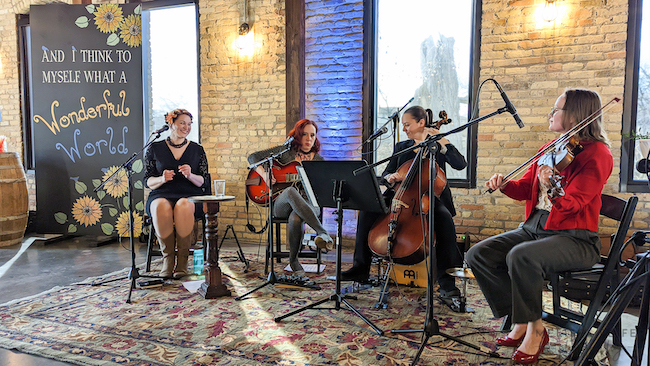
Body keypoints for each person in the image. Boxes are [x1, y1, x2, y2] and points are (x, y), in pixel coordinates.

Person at [466, 89, 613, 364]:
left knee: (521, 255)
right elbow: (525, 189)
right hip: (535, 227)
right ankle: (520, 318)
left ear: (575, 115)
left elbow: (573, 205)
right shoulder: (550, 148)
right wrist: (505, 185)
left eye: (556, 109)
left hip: (576, 238)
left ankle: (535, 329)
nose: (551, 114)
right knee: (478, 254)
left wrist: (552, 187)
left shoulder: (597, 155)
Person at [341, 106, 467, 300]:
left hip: (428, 196)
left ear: (421, 123)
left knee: (444, 219)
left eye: (407, 124)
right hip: (400, 194)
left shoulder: (437, 146)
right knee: (367, 210)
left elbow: (460, 163)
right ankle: (360, 269)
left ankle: (447, 284)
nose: (405, 129)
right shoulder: (402, 147)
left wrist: (444, 142)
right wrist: (390, 177)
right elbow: (386, 173)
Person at [247, 119, 333, 277]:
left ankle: (293, 261)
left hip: (308, 203)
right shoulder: (286, 152)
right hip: (282, 203)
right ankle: (322, 232)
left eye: (312, 135)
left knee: (296, 217)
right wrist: (265, 175)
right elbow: (252, 158)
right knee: (290, 192)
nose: (309, 139)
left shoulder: (319, 161)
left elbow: (322, 189)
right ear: (297, 136)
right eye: (305, 134)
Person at [144, 109, 209, 279]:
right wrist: (161, 179)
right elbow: (147, 181)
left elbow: (204, 181)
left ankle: (182, 261)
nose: (186, 127)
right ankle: (168, 260)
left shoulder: (197, 149)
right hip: (162, 192)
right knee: (160, 205)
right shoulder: (155, 148)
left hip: (189, 194)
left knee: (183, 205)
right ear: (171, 123)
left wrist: (190, 175)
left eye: (189, 124)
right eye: (182, 123)